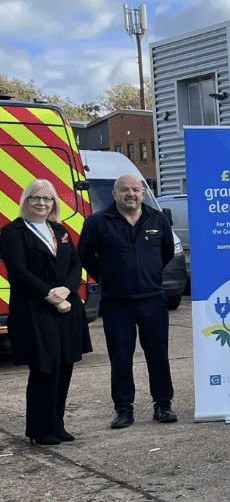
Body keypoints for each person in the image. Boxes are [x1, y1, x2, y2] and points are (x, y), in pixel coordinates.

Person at [79, 174, 177, 428]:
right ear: (114, 194)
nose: (130, 194)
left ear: (143, 193)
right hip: (116, 302)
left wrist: (149, 273)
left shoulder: (158, 219)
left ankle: (163, 405)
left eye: (135, 189)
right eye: (125, 190)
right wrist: (108, 276)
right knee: (120, 358)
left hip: (152, 300)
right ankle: (124, 409)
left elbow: (166, 252)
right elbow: (85, 256)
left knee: (158, 355)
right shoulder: (98, 222)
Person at [1, 179, 93, 445]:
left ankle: (57, 425)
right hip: (35, 310)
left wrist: (66, 289)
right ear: (25, 201)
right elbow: (18, 272)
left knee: (64, 366)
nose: (42, 203)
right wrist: (52, 295)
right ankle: (40, 431)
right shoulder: (12, 231)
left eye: (48, 199)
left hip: (66, 309)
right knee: (44, 369)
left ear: (54, 203)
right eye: (35, 198)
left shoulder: (59, 230)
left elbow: (76, 264)